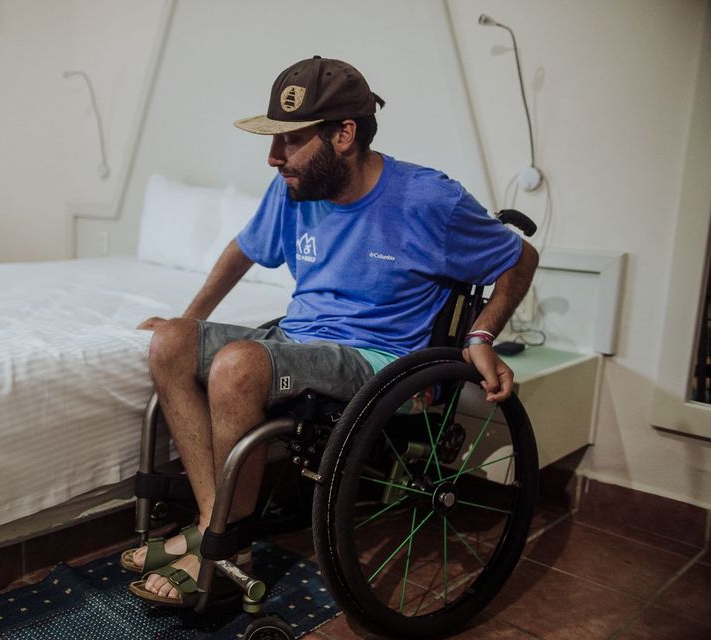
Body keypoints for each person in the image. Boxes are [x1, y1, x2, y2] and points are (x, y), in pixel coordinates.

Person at [124, 56, 539, 606]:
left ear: (344, 134)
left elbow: (520, 256)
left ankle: (226, 546)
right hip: (301, 340)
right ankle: (214, 528)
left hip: (379, 359)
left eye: (289, 141)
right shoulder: (293, 188)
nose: (274, 159)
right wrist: (191, 318)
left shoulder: (427, 200)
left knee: (239, 363)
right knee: (170, 342)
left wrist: (480, 338)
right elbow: (244, 250)